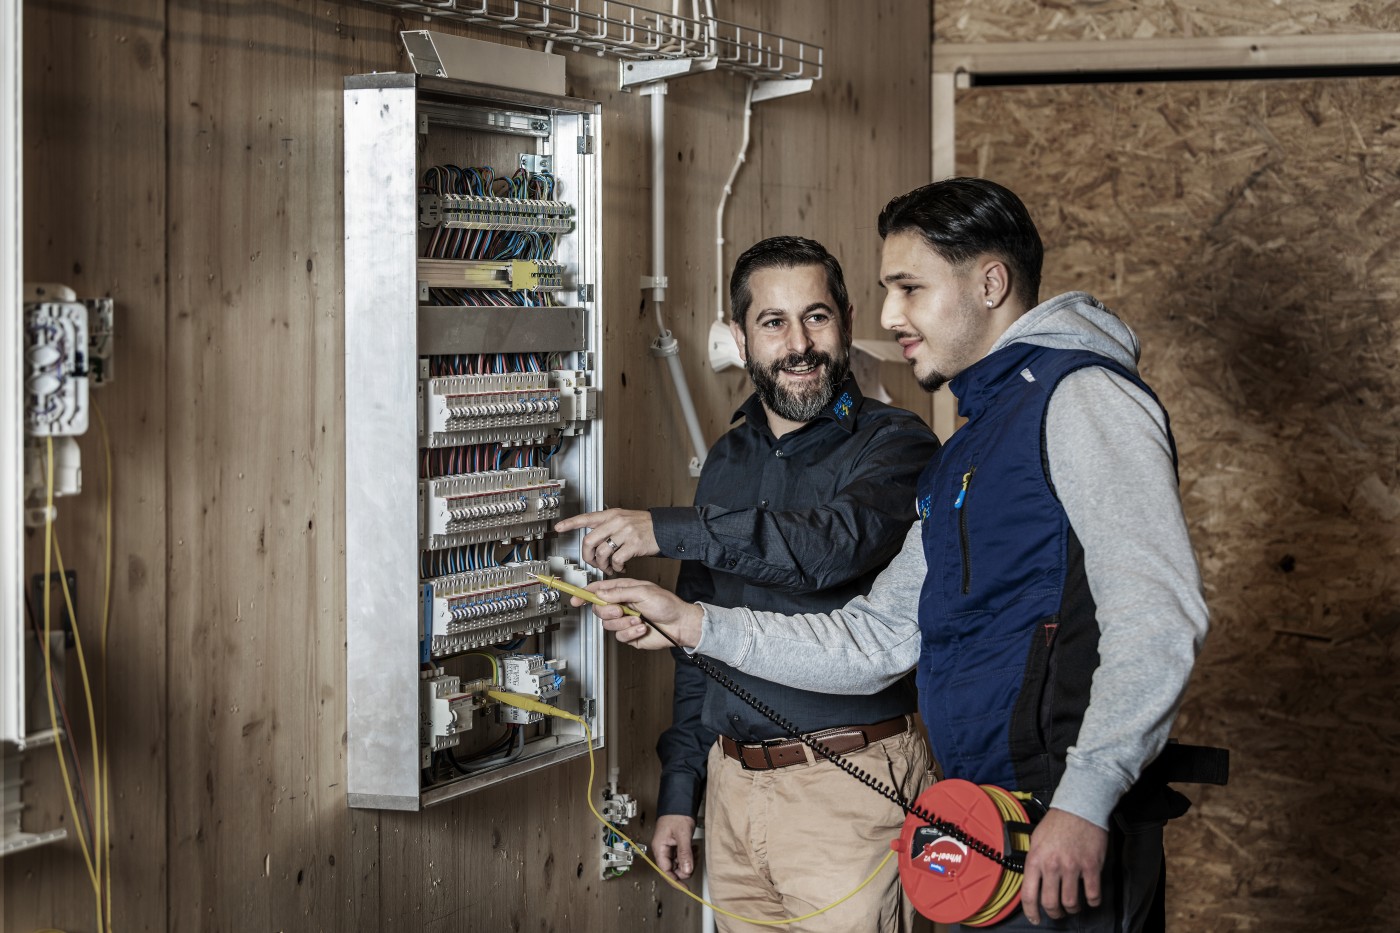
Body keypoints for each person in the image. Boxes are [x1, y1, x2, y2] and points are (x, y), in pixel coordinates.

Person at [580, 179, 1211, 932]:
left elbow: (1157, 616)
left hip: (1061, 828)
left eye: (908, 288)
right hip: (983, 826)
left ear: (989, 282)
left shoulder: (1079, 399)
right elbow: (875, 637)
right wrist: (691, 624)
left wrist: (1085, 798)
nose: (888, 317)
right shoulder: (971, 445)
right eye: (885, 291)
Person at [555, 236, 942, 932]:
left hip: (851, 792)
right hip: (733, 793)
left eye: (817, 317)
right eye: (773, 322)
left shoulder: (897, 444)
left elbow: (830, 545)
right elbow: (701, 643)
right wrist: (683, 788)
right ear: (740, 337)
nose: (799, 343)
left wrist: (663, 529)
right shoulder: (728, 459)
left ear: (848, 321)